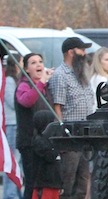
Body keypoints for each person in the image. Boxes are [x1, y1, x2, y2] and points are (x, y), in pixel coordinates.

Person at [47, 37, 93, 199]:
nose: (85, 54)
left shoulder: (82, 74)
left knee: (83, 179)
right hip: (70, 135)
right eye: (82, 50)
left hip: (85, 134)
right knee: (68, 179)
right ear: (71, 52)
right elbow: (57, 107)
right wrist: (62, 134)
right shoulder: (60, 76)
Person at [15, 53, 54, 199]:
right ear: (26, 68)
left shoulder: (46, 86)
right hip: (29, 142)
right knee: (32, 182)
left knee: (44, 182)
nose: (38, 65)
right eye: (33, 63)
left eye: (40, 61)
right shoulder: (23, 86)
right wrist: (41, 81)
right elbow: (27, 101)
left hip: (45, 141)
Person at [31, 110, 63, 199]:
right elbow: (50, 156)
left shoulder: (51, 140)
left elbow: (58, 166)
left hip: (54, 183)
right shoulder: (39, 141)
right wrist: (57, 146)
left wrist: (60, 184)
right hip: (44, 184)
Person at [4, 54, 24, 199]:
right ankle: (10, 194)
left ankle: (16, 192)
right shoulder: (9, 81)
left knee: (18, 162)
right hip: (12, 124)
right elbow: (12, 102)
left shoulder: (15, 80)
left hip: (17, 124)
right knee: (13, 160)